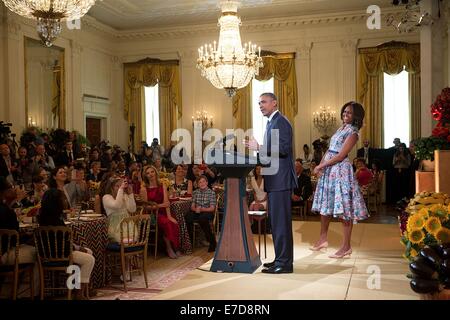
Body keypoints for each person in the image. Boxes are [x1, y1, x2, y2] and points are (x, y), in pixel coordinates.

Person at [244, 92, 297, 274]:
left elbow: (283, 149)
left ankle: (285, 263)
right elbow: (271, 153)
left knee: (281, 224)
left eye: (264, 102)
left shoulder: (280, 121)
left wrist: (259, 147)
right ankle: (280, 259)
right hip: (274, 180)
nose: (260, 105)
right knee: (276, 223)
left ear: (274, 103)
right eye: (259, 103)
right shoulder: (272, 122)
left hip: (280, 180)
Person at [311, 101, 369, 258]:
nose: (345, 115)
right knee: (325, 204)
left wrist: (321, 166)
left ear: (356, 116)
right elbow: (330, 151)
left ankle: (346, 246)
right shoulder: (340, 129)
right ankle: (323, 238)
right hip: (330, 170)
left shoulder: (353, 132)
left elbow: (340, 155)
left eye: (349, 113)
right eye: (344, 112)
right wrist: (321, 165)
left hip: (341, 171)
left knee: (344, 208)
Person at [38, 188, 95, 300]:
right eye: (63, 198)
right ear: (56, 201)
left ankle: (75, 287)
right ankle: (79, 293)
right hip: (59, 253)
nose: (65, 200)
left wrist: (77, 247)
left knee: (88, 252)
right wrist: (76, 247)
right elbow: (61, 244)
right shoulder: (55, 221)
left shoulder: (44, 216)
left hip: (51, 252)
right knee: (89, 259)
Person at [139, 165, 181, 258]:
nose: (150, 174)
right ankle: (169, 248)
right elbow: (145, 207)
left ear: (155, 173)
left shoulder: (162, 185)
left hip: (164, 212)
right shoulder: (144, 188)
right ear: (145, 176)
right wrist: (160, 205)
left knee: (173, 222)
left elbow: (167, 203)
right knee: (166, 223)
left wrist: (170, 216)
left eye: (152, 172)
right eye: (148, 173)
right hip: (152, 214)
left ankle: (176, 248)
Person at [186, 175, 217, 252]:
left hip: (207, 211)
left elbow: (212, 208)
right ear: (198, 184)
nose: (202, 183)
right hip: (197, 211)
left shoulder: (211, 193)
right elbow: (192, 206)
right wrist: (195, 209)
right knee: (187, 217)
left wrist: (201, 209)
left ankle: (212, 242)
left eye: (203, 181)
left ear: (207, 182)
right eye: (200, 182)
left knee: (202, 219)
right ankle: (190, 241)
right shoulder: (195, 192)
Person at [102, 176, 136, 243]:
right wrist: (121, 189)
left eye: (121, 186)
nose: (120, 187)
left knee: (131, 239)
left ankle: (128, 248)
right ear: (111, 187)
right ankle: (125, 247)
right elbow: (117, 205)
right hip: (115, 228)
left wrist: (131, 194)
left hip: (128, 227)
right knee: (123, 240)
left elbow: (132, 209)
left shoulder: (124, 195)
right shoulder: (106, 197)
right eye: (117, 186)